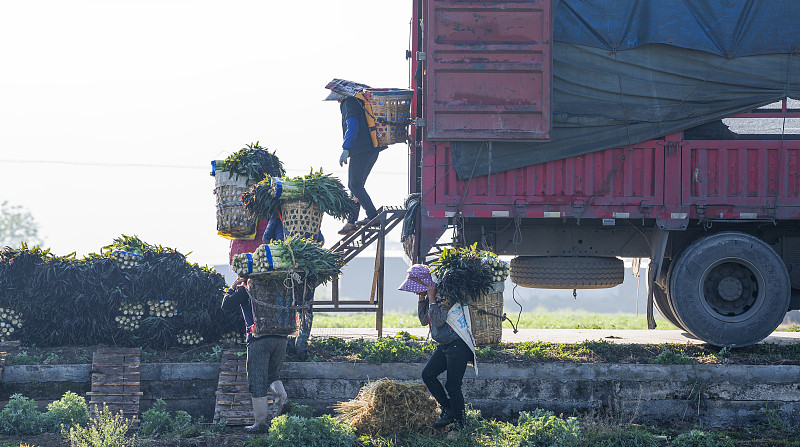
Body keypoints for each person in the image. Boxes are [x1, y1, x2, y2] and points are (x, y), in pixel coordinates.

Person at [398, 264, 473, 428]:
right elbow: (425, 320)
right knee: (428, 374)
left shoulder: (445, 294)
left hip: (457, 344)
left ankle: (461, 426)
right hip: (445, 344)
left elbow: (438, 320)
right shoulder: (429, 295)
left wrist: (431, 298)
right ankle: (449, 410)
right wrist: (422, 299)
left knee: (453, 386)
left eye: (418, 288)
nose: (417, 291)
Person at [221, 275, 289, 432]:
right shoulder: (277, 287)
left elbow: (226, 304)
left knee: (257, 381)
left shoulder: (248, 289)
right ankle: (282, 400)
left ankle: (260, 423)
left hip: (259, 340)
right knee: (273, 376)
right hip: (281, 339)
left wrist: (232, 287)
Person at [324, 78, 387, 235]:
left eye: (337, 98)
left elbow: (353, 126)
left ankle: (373, 216)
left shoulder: (348, 103)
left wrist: (346, 149)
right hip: (372, 148)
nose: (337, 101)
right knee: (356, 186)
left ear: (341, 95)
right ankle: (351, 222)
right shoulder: (358, 102)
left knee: (354, 185)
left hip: (361, 150)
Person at [262, 211, 324, 361]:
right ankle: (301, 345)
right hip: (306, 270)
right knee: (305, 306)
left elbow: (265, 238)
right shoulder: (307, 216)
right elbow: (321, 240)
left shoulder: (277, 215)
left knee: (286, 305)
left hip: (285, 271)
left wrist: (278, 251)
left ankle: (288, 344)